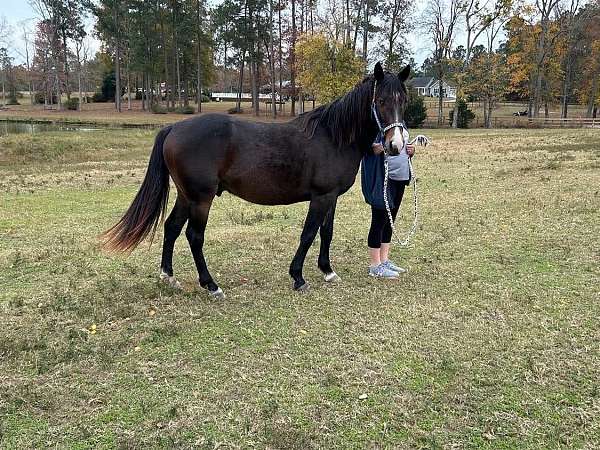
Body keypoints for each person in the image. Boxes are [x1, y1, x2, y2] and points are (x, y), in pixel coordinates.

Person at [361, 134, 415, 278]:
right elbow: (366, 149)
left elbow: (403, 147)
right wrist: (384, 146)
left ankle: (384, 260)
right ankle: (375, 265)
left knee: (390, 221)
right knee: (379, 220)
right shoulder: (375, 124)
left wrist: (410, 151)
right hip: (382, 178)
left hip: (400, 178)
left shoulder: (400, 122)